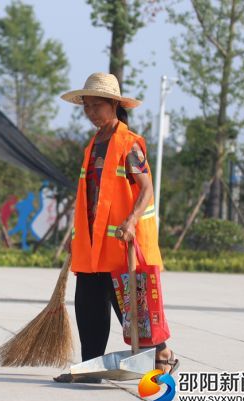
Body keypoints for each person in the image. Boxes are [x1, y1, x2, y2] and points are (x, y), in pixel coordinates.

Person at [53, 72, 179, 383]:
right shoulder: (93, 145)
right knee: (87, 304)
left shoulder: (129, 145)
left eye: (97, 105)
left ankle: (161, 354)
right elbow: (89, 196)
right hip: (92, 245)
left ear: (114, 105)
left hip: (121, 244)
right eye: (86, 106)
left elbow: (147, 188)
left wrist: (132, 220)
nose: (91, 112)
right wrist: (75, 235)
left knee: (131, 306)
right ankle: (90, 366)